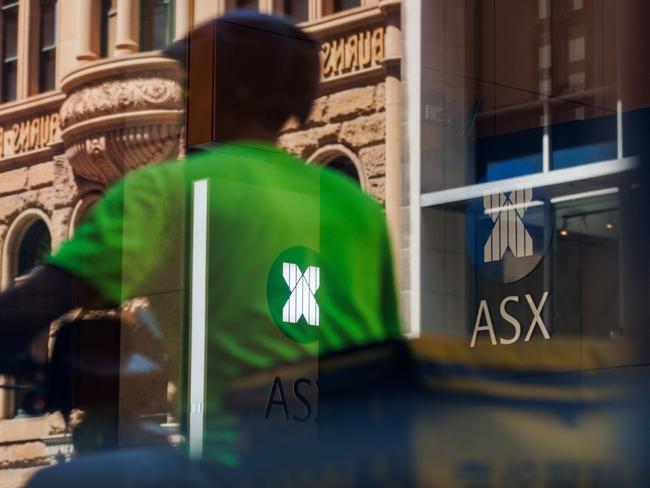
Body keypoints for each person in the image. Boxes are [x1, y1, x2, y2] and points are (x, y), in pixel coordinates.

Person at [0, 10, 402, 485]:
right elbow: (391, 367)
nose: (184, 95)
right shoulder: (352, 205)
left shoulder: (169, 189)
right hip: (343, 470)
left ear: (232, 88)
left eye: (194, 80)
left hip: (233, 470)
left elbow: (41, 298)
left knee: (59, 482)